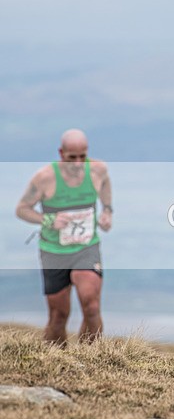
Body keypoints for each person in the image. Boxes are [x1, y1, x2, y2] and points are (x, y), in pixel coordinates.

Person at [15, 129, 113, 346]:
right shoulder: (44, 178)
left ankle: (92, 360)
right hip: (54, 252)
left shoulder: (98, 170)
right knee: (59, 315)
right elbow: (22, 209)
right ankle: (57, 361)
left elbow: (105, 186)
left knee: (92, 305)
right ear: (61, 153)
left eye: (83, 156)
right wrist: (49, 220)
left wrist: (107, 211)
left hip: (86, 247)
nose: (78, 163)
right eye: (72, 158)